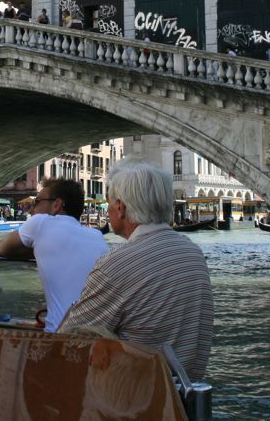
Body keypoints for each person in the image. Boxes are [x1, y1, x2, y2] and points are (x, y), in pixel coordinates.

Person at [58, 161, 213, 381]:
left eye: (109, 203)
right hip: (185, 392)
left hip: (133, 394)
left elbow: (66, 342)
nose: (108, 209)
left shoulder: (115, 265)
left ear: (120, 208)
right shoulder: (193, 253)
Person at [0, 178, 109, 332]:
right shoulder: (97, 236)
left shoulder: (40, 222)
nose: (32, 209)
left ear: (56, 204)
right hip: (97, 336)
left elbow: (3, 248)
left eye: (37, 202)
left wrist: (38, 248)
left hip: (60, 335)